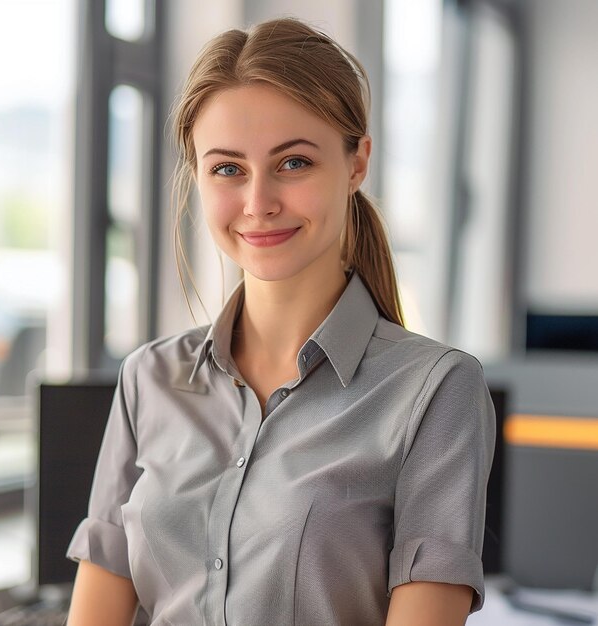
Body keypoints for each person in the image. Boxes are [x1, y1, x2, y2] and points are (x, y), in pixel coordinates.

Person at [66, 16, 495, 626]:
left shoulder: (435, 392)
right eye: (227, 168)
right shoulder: (149, 379)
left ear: (356, 163)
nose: (258, 201)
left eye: (293, 163)